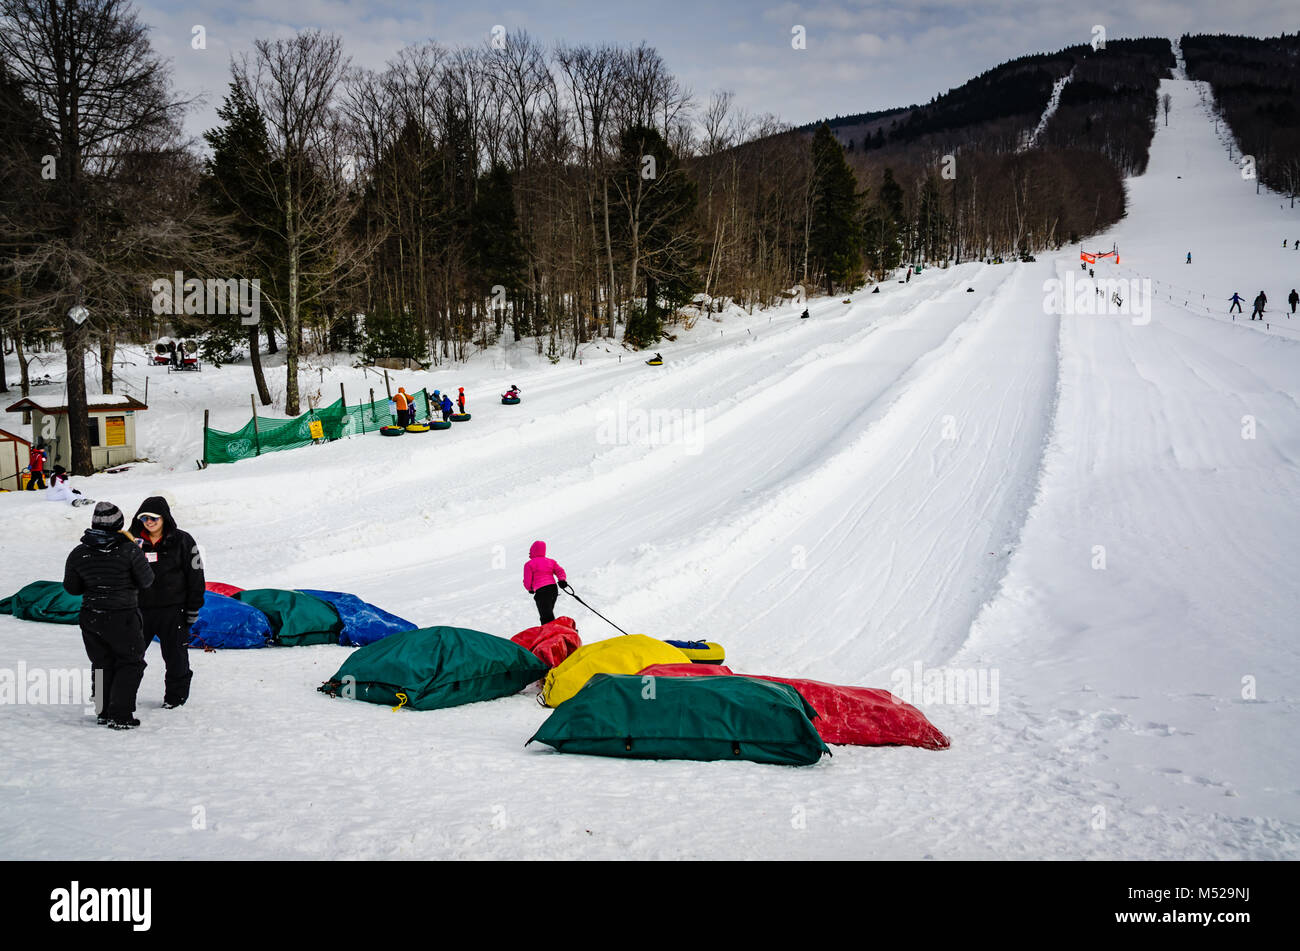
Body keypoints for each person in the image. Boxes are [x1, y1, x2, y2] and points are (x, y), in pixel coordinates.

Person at [63, 502, 154, 729]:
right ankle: (120, 714)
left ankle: (103, 711)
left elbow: (72, 588)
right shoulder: (130, 550)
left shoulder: (78, 553)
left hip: (91, 616)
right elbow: (147, 581)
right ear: (119, 524)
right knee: (130, 663)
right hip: (122, 616)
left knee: (101, 662)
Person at [130, 497, 205, 709]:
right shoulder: (131, 541)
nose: (148, 522)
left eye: (153, 517)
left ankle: (176, 699)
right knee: (130, 657)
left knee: (176, 657)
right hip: (139, 610)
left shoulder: (183, 540)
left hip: (174, 610)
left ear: (164, 518)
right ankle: (124, 698)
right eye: (144, 518)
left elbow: (196, 575)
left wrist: (193, 608)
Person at [523, 540, 568, 625]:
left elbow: (527, 580)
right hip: (553, 589)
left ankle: (553, 634)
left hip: (541, 591)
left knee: (546, 617)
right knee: (548, 614)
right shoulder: (551, 561)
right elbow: (559, 571)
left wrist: (530, 588)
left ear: (533, 551)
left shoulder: (529, 564)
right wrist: (562, 580)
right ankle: (554, 632)